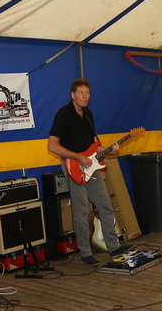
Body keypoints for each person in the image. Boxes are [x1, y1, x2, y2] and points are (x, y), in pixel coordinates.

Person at [47, 78, 130, 267]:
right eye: (81, 92)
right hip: (74, 167)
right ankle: (85, 253)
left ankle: (113, 247)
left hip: (91, 166)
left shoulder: (88, 114)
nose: (85, 96)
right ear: (73, 95)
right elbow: (52, 146)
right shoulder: (63, 114)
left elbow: (93, 146)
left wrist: (108, 150)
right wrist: (78, 157)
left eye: (88, 93)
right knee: (81, 211)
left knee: (105, 206)